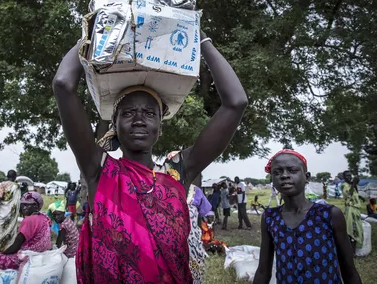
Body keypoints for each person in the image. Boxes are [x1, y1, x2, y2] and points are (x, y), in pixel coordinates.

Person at [53, 28, 248, 282]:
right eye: (128, 113)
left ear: (160, 125)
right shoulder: (98, 169)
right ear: (115, 123)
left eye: (149, 113)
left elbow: (236, 102)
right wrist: (91, 34)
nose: (138, 120)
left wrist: (199, 40)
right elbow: (63, 85)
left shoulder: (179, 170)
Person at [253, 150, 362, 284]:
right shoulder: (270, 217)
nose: (284, 176)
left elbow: (349, 272)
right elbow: (263, 271)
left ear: (307, 176)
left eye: (292, 170)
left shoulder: (329, 214)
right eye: (277, 172)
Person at [0, 192, 51, 284]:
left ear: (36, 206)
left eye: (28, 205)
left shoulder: (29, 220)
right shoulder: (44, 218)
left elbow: (16, 246)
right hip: (38, 255)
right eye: (23, 205)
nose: (24, 207)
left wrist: (1, 255)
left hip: (25, 258)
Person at [0, 170, 21, 256]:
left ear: (7, 176)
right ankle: (5, 252)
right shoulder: (17, 186)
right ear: (15, 177)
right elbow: (17, 202)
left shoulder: (3, 184)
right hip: (11, 214)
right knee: (9, 230)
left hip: (2, 212)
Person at [186, 180, 212, 283]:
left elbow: (204, 213)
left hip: (193, 243)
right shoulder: (161, 188)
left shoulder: (196, 192)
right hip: (173, 243)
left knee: (194, 274)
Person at [341, 171, 363, 253]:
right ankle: (351, 252)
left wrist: (360, 197)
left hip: (356, 209)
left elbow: (355, 193)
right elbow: (348, 195)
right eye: (347, 176)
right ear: (344, 177)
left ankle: (353, 251)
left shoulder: (351, 185)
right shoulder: (344, 185)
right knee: (351, 230)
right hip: (350, 209)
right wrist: (353, 184)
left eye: (350, 175)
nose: (349, 177)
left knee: (357, 229)